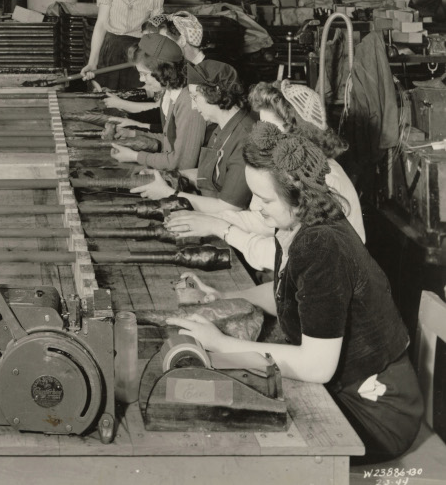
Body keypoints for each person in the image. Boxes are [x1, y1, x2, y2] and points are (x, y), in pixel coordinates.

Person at [168, 123, 422, 465]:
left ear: (298, 194)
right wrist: (226, 296)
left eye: (265, 198)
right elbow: (290, 297)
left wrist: (222, 344)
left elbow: (317, 366)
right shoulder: (295, 226)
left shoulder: (322, 246)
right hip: (340, 391)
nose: (256, 206)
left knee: (238, 446)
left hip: (375, 411)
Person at [164, 80, 365, 273]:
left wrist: (223, 229)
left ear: (298, 132)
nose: (262, 139)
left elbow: (285, 256)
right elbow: (265, 220)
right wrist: (207, 219)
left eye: (270, 131)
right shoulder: (293, 168)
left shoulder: (325, 181)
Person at [132, 58, 255, 211]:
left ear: (214, 94)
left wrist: (170, 193)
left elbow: (229, 207)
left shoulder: (245, 138)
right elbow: (208, 175)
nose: (194, 106)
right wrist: (166, 175)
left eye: (195, 98)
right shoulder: (223, 128)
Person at [109, 34, 206, 172]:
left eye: (144, 74)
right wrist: (134, 134)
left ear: (163, 71)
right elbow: (170, 142)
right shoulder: (170, 93)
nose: (141, 80)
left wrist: (136, 156)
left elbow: (182, 163)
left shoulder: (188, 102)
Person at [80, 0, 164, 91]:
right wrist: (92, 62)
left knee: (133, 96)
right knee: (105, 94)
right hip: (110, 48)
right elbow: (101, 25)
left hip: (137, 52)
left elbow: (155, 32)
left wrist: (150, 62)